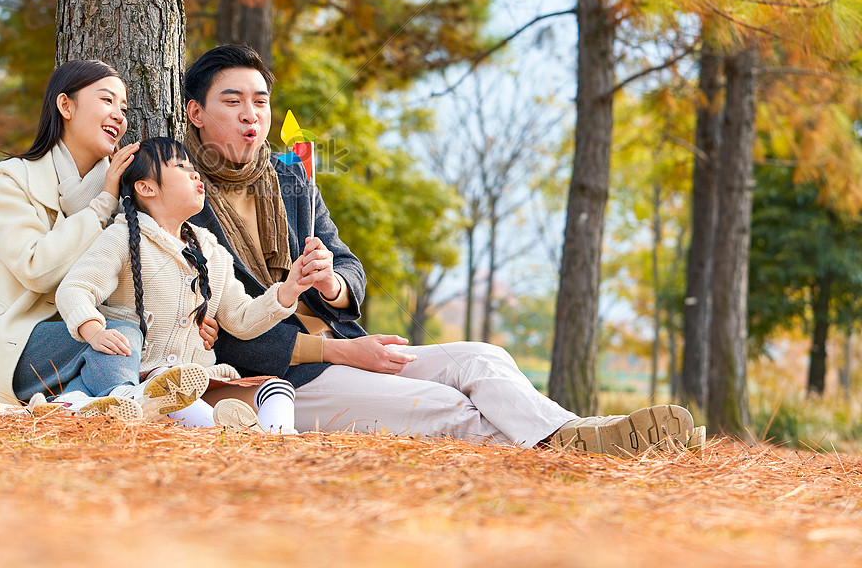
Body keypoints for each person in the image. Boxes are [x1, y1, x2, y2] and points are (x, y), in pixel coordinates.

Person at [183, 44, 703, 455]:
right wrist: (341, 351)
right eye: (233, 101)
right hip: (283, 380)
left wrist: (330, 284)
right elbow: (220, 338)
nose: (251, 114)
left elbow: (349, 268)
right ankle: (594, 450)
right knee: (443, 406)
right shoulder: (182, 201)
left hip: (352, 348)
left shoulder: (291, 180)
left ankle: (586, 436)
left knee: (482, 358)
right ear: (196, 114)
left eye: (260, 101)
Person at [0, 61, 208, 420]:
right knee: (120, 331)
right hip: (9, 343)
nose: (118, 116)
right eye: (107, 100)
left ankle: (84, 405)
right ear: (66, 106)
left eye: (123, 108)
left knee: (115, 338)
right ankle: (128, 400)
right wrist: (101, 204)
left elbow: (146, 269)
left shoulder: (127, 193)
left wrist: (198, 312)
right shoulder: (11, 178)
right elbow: (36, 268)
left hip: (78, 348)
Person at [49, 137, 305, 433]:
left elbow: (241, 319)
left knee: (277, 389)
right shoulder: (123, 238)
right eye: (182, 167)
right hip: (149, 379)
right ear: (146, 188)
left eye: (193, 167)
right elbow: (74, 289)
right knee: (172, 393)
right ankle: (232, 437)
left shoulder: (212, 250)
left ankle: (279, 437)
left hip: (204, 379)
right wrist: (94, 331)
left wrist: (288, 291)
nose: (195, 173)